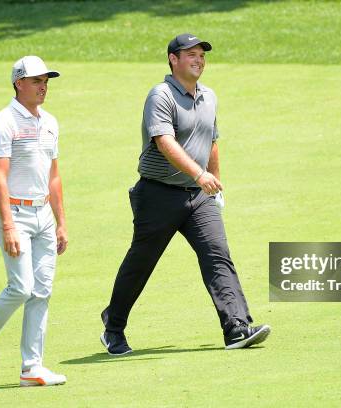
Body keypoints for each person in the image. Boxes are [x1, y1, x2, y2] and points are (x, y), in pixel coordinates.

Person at [100, 34, 271, 354]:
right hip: (157, 194)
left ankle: (236, 327)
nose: (198, 60)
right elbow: (164, 143)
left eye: (202, 55)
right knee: (142, 262)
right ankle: (114, 327)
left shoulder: (209, 96)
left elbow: (212, 141)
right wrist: (199, 173)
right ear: (173, 59)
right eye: (190, 54)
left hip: (198, 197)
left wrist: (215, 183)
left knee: (217, 255)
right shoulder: (160, 95)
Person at [0, 56, 68, 386]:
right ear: (18, 83)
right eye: (36, 81)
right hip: (14, 214)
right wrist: (8, 225)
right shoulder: (4, 122)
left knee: (42, 290)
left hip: (44, 216)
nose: (43, 86)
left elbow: (53, 176)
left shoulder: (50, 121)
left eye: (46, 81)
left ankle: (31, 367)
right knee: (21, 286)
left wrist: (61, 222)